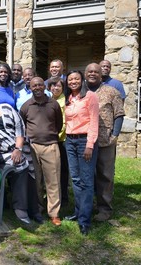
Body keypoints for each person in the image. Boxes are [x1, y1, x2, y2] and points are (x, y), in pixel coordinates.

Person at [0, 87, 42, 224]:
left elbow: (20, 129)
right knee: (19, 165)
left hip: (20, 146)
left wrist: (18, 148)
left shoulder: (6, 108)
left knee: (30, 172)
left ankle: (34, 210)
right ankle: (20, 208)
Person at [20, 77, 63, 226]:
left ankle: (54, 213)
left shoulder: (54, 104)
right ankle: (38, 209)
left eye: (40, 85)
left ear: (44, 87)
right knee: (35, 180)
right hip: (32, 147)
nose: (37, 87)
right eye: (34, 86)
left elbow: (59, 124)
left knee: (53, 181)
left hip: (50, 145)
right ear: (30, 88)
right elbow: (23, 125)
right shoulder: (26, 106)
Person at [85, 63, 125, 222]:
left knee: (105, 175)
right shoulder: (81, 91)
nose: (92, 74)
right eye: (90, 71)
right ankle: (89, 205)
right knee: (88, 175)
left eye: (96, 71)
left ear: (101, 75)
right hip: (85, 141)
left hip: (105, 140)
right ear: (85, 73)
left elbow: (119, 114)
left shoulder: (112, 91)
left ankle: (104, 209)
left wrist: (114, 135)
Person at [63, 70, 99, 235]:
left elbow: (93, 121)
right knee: (76, 179)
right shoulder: (68, 98)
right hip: (70, 141)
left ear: (82, 80)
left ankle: (84, 220)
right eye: (70, 79)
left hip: (85, 141)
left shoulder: (90, 96)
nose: (73, 81)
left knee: (86, 181)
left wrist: (90, 144)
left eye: (76, 78)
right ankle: (78, 212)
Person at [48, 77, 69, 206]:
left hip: (62, 140)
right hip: (51, 139)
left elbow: (65, 121)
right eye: (53, 86)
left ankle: (64, 197)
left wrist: (57, 135)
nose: (55, 88)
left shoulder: (65, 101)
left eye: (58, 86)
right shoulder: (49, 100)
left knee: (63, 170)